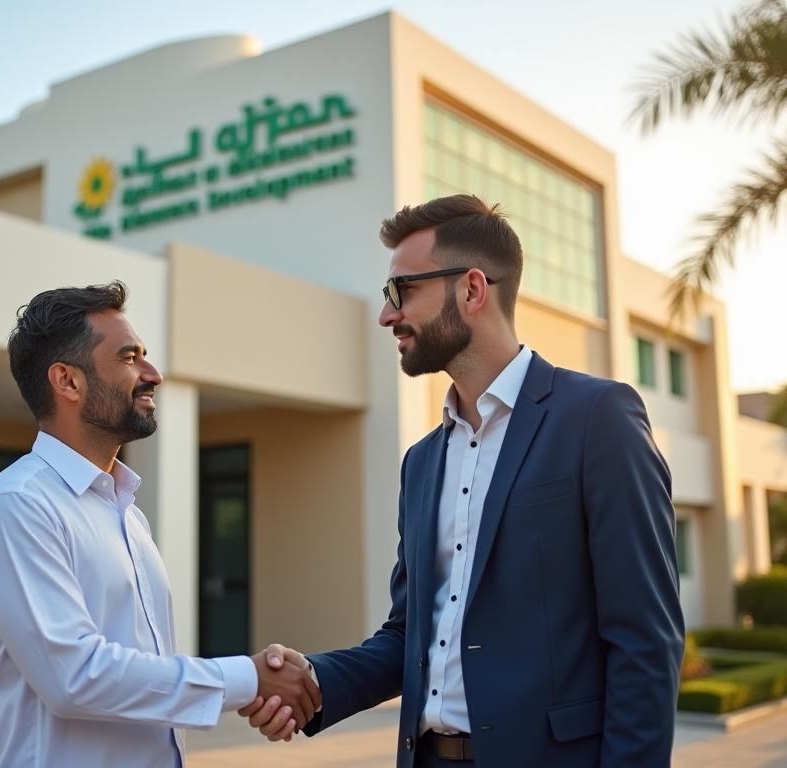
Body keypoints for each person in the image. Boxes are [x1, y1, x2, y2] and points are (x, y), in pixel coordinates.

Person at [242, 195, 685, 767]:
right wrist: (314, 681)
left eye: (402, 292)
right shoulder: (421, 462)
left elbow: (645, 642)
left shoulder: (597, 418)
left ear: (472, 290)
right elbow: (411, 636)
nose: (387, 315)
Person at [0, 282, 319, 768]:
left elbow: (140, 672)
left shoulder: (127, 512)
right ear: (67, 381)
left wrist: (255, 686)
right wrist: (249, 679)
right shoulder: (17, 506)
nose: (154, 374)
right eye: (130, 358)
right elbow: (74, 676)